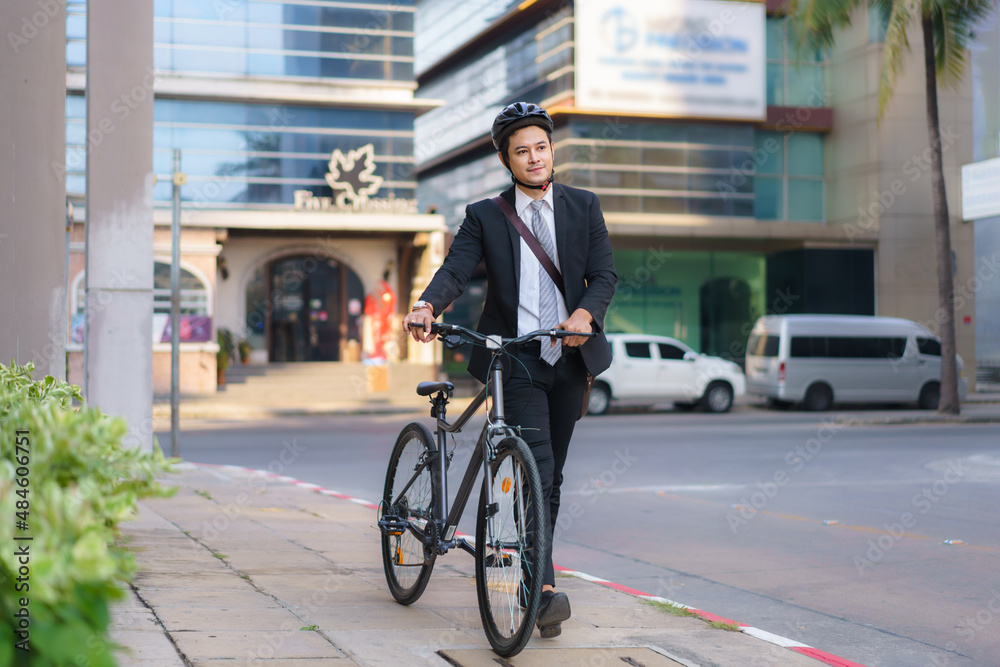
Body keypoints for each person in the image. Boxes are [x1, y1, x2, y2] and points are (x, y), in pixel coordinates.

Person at [402, 102, 616, 638]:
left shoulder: (584, 206)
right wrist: (428, 306)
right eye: (522, 151)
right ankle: (541, 588)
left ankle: (531, 568)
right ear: (506, 159)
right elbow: (455, 269)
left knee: (552, 474)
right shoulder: (486, 215)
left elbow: (603, 274)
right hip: (513, 356)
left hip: (567, 356)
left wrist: (585, 315)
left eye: (541, 147)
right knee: (537, 467)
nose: (535, 157)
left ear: (551, 149)